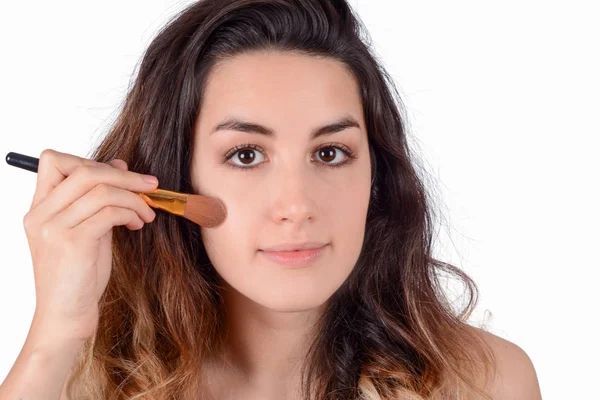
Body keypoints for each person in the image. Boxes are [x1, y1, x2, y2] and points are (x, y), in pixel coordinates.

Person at [0, 0, 542, 399]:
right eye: (245, 155)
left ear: (377, 177)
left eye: (330, 153)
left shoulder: (484, 382)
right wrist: (58, 330)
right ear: (171, 180)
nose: (296, 204)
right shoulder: (75, 383)